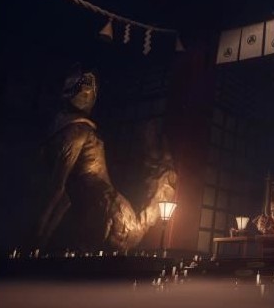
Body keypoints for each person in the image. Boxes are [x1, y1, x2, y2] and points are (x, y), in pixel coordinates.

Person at [36, 68, 177, 253]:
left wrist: (37, 237)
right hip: (104, 209)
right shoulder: (72, 129)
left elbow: (58, 189)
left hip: (109, 212)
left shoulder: (78, 131)